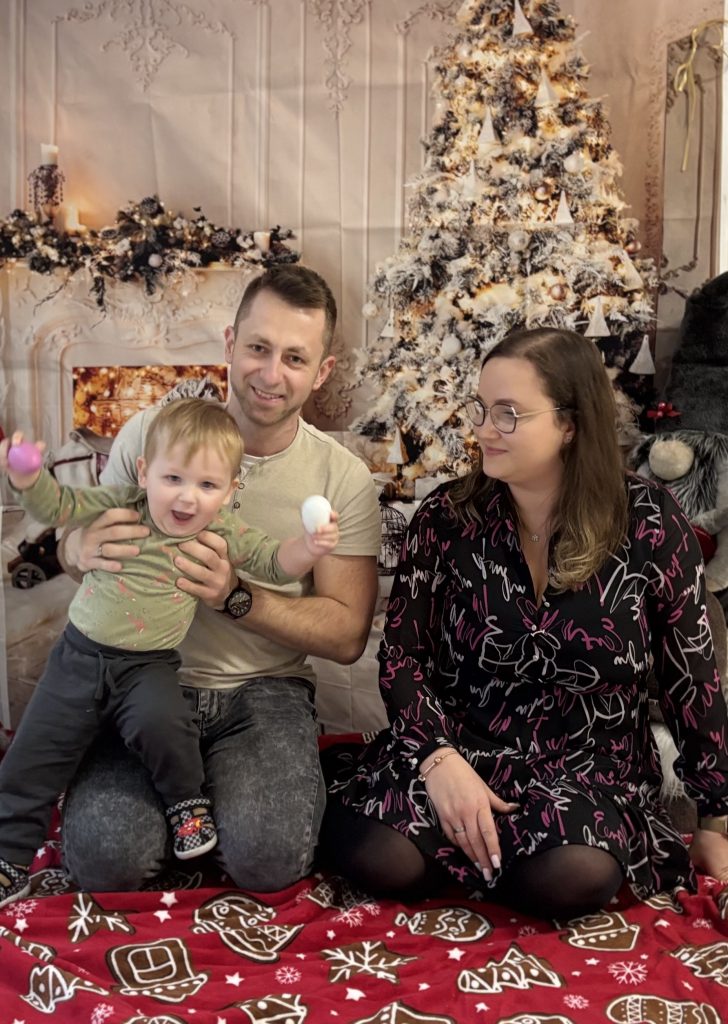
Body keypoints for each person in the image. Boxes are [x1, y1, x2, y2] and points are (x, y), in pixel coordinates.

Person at [320, 326, 728, 920]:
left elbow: (691, 676)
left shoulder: (648, 522)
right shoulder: (446, 518)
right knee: (379, 858)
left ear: (570, 423)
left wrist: (715, 818)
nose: (484, 429)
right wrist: (438, 760)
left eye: (508, 413)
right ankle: (479, 852)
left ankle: (487, 860)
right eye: (482, 408)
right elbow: (403, 658)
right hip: (462, 745)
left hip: (588, 766)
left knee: (573, 875)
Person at [55, 265, 382, 893]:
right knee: (104, 862)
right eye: (258, 348)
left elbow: (346, 636)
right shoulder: (150, 434)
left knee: (269, 862)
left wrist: (236, 597)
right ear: (230, 344)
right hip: (137, 677)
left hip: (263, 692)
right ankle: (177, 807)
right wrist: (77, 547)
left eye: (294, 358)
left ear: (321, 372)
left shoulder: (341, 476)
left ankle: (220, 798)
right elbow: (78, 549)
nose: (271, 374)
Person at [0, 398, 341, 906]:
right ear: (144, 472)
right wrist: (28, 479)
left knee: (166, 726)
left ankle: (187, 805)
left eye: (207, 485)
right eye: (173, 479)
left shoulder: (222, 531)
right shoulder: (120, 503)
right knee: (35, 753)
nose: (187, 497)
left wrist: (309, 547)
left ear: (230, 490)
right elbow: (60, 507)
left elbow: (275, 563)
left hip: (149, 666)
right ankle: (9, 857)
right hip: (79, 657)